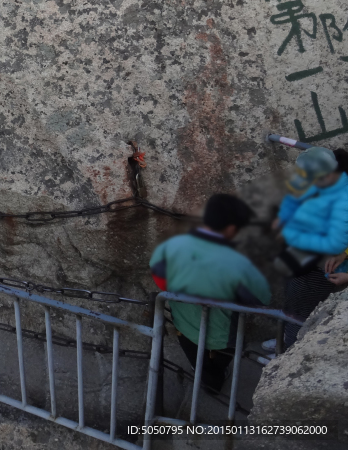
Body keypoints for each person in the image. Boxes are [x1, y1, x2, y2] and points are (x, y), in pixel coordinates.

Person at [149, 194, 270, 393]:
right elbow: (260, 300)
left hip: (183, 325)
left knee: (199, 363)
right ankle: (213, 385)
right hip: (220, 337)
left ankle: (206, 380)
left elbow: (160, 279)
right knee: (218, 363)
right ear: (231, 227)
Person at [269, 146, 348, 348]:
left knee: (301, 312)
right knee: (291, 304)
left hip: (319, 269)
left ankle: (288, 352)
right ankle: (284, 339)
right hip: (302, 260)